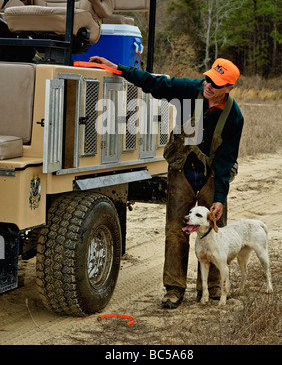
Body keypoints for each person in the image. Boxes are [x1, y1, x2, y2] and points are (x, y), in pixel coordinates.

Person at [90, 55, 244, 309]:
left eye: (215, 84)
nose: (208, 85)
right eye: (207, 79)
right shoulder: (188, 91)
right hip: (182, 169)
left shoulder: (234, 117)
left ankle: (214, 287)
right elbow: (155, 83)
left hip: (212, 176)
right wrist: (119, 68)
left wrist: (219, 198)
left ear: (228, 89)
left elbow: (227, 160)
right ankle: (174, 289)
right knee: (176, 231)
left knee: (215, 231)